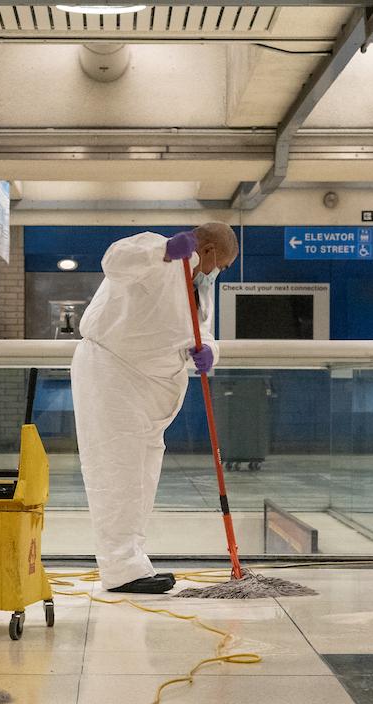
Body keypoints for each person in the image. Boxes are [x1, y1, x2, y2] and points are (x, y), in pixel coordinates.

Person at [71, 223, 238, 594]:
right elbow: (114, 261)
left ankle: (132, 561)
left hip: (151, 396)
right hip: (113, 375)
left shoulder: (196, 289)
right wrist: (162, 252)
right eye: (222, 265)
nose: (218, 273)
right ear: (208, 250)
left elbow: (201, 332)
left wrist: (211, 352)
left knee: (142, 477)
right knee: (117, 471)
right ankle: (120, 569)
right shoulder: (156, 250)